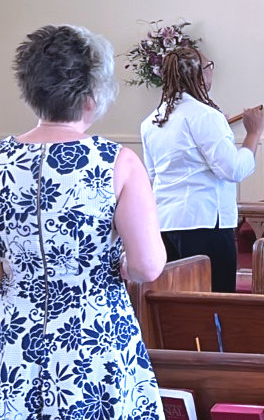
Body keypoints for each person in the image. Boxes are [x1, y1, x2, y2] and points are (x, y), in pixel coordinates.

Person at [0, 25, 166, 417]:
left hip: (14, 333)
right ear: (93, 94)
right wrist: (121, 263)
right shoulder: (116, 162)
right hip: (93, 336)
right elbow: (147, 266)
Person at [140, 46, 264, 293]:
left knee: (177, 299)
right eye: (209, 67)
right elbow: (233, 170)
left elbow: (153, 175)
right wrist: (254, 133)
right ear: (198, 75)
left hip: (166, 224)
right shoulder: (205, 115)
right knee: (214, 300)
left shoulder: (151, 121)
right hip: (205, 223)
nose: (211, 72)